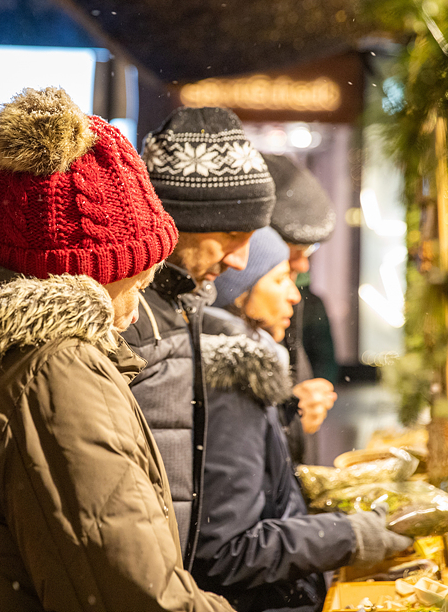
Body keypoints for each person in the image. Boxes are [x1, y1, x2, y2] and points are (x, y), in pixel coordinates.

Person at [0, 87, 235, 612]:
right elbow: (140, 598)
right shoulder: (54, 375)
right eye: (136, 287)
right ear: (93, 278)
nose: (137, 313)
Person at [196, 227, 413, 612]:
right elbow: (232, 551)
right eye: (280, 278)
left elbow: (260, 498)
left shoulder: (249, 374)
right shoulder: (230, 385)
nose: (295, 294)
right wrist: (354, 534)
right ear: (239, 293)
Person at [121, 107, 277, 569]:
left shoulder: (181, 306)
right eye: (231, 235)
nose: (239, 260)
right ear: (177, 222)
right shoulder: (127, 316)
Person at [263, 153, 339, 465]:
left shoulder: (300, 302)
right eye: (294, 248)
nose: (303, 263)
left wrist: (311, 396)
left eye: (309, 249)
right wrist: (291, 417)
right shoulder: (222, 323)